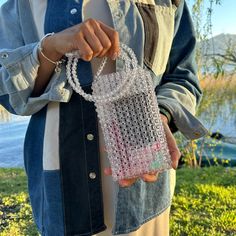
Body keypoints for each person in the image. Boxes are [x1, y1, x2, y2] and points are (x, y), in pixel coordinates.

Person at [0, 0, 207, 235]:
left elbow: (183, 76)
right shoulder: (22, 4)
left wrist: (159, 117)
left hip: (145, 180)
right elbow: (9, 94)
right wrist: (50, 47)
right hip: (64, 190)